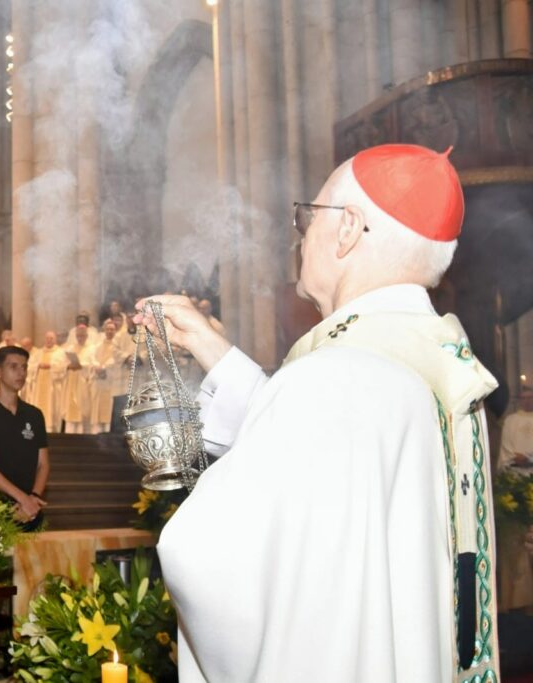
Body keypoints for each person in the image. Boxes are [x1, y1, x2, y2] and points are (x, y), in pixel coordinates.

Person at [137, 144, 500, 680]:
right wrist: (215, 351)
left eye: (309, 216)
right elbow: (323, 462)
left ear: (349, 228)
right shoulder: (430, 363)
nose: (300, 233)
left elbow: (208, 558)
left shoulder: (333, 378)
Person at [0, 345, 50, 532]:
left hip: (30, 510)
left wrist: (34, 497)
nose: (21, 372)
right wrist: (23, 499)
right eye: (13, 367)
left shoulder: (34, 415)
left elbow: (43, 464)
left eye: (24, 367)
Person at [498, 386, 533, 612]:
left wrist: (529, 458)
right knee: (516, 548)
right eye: (524, 397)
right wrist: (514, 460)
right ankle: (516, 600)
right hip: (514, 489)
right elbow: (504, 452)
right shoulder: (510, 421)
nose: (527, 401)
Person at [89, 319, 127, 434]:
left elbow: (116, 359)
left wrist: (104, 367)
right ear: (104, 330)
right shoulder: (98, 346)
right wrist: (97, 367)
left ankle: (107, 432)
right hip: (99, 382)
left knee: (109, 410)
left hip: (110, 381)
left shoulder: (117, 345)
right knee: (98, 410)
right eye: (108, 329)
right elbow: (92, 358)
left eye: (112, 329)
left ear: (115, 331)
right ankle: (96, 434)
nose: (110, 331)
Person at [28, 331, 67, 432]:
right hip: (39, 387)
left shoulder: (60, 352)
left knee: (52, 407)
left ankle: (51, 429)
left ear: (55, 340)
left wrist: (50, 366)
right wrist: (38, 366)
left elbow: (63, 367)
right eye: (47, 338)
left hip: (52, 387)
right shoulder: (38, 352)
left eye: (51, 338)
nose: (49, 340)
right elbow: (30, 366)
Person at [62, 324, 95, 434]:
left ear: (86, 336)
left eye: (82, 335)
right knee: (71, 408)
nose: (80, 338)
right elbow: (63, 363)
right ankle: (69, 434)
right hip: (71, 381)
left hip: (83, 382)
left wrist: (82, 366)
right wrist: (68, 366)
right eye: (78, 336)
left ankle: (82, 434)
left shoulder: (91, 349)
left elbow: (92, 365)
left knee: (81, 409)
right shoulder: (71, 348)